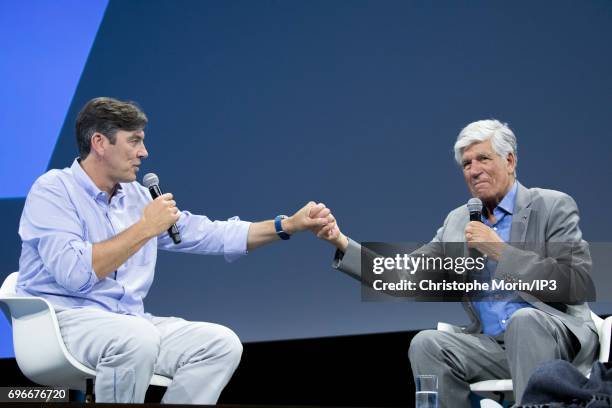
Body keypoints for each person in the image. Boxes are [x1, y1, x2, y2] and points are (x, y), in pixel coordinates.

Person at [16, 97, 333, 404]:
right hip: (63, 322)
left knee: (219, 345)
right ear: (99, 143)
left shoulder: (138, 197)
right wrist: (144, 228)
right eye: (134, 141)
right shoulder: (53, 191)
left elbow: (209, 233)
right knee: (135, 338)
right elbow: (74, 275)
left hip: (130, 322)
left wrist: (286, 225)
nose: (144, 152)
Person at [310, 119, 598, 407]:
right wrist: (342, 243)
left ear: (509, 161)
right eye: (466, 164)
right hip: (493, 347)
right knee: (428, 344)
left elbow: (576, 282)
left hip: (555, 338)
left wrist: (499, 251)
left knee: (524, 321)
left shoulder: (552, 206)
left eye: (483, 158)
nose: (474, 170)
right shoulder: (458, 221)